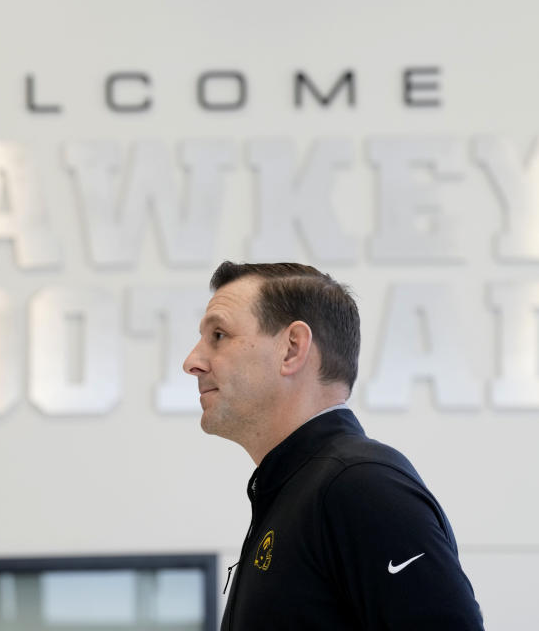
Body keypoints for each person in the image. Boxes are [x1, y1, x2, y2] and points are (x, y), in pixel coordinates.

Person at [183, 261, 484, 630]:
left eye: (218, 336)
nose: (192, 362)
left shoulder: (362, 487)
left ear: (292, 349)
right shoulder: (296, 493)